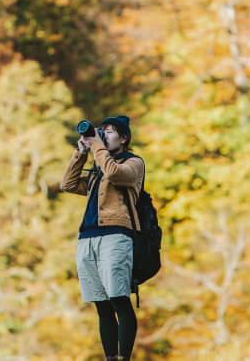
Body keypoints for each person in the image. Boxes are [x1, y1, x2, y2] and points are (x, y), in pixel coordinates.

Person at [60, 115, 145, 361]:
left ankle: (124, 357)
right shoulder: (98, 169)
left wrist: (96, 144)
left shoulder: (133, 163)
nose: (104, 135)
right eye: (102, 131)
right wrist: (81, 152)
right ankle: (110, 357)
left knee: (119, 297)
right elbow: (67, 184)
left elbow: (114, 173)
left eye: (109, 132)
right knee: (101, 304)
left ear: (124, 138)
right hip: (87, 237)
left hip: (115, 235)